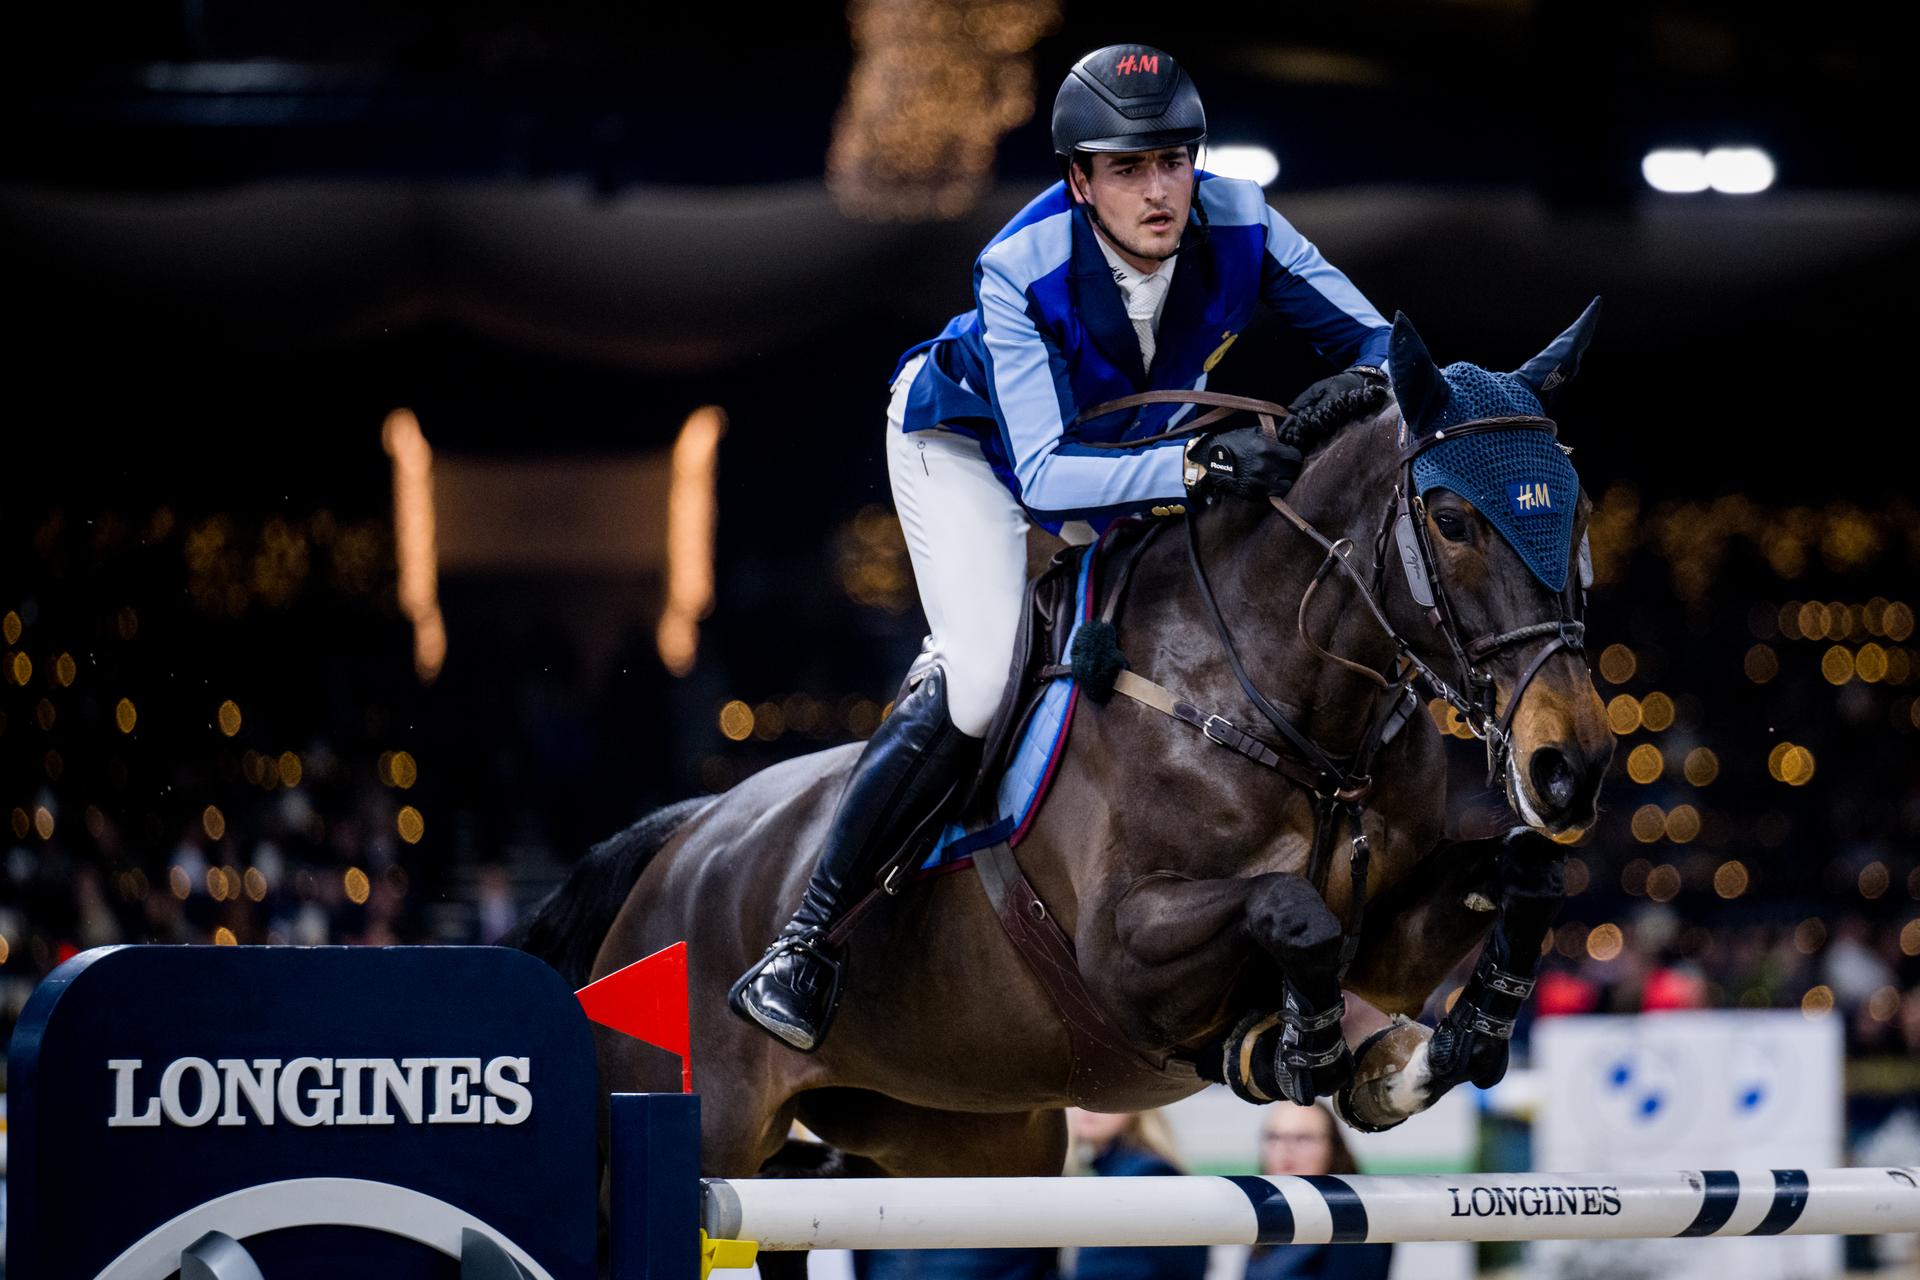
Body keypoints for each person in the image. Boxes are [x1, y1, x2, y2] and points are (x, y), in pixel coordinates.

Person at [732, 43, 1394, 1051]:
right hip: (972, 447)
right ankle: (807, 936)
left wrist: (1367, 396)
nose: (1161, 190)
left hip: (1121, 450)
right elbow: (1042, 478)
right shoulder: (1019, 264)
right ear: (1078, 181)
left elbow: (1380, 345)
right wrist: (1196, 469)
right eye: (1127, 169)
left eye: (1175, 160)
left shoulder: (1242, 218)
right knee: (985, 674)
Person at [1244, 1104, 1391, 1280]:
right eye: (1274, 1137)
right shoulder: (1269, 1215)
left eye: (1303, 1138)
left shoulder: (1353, 1218)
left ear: (1332, 1148)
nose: (1286, 1148)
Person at [1065, 1108, 1210, 1280]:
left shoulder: (1148, 1174)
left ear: (1137, 1107)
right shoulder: (1114, 1172)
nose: (1089, 1108)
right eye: (1078, 1099)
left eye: (1107, 1094)